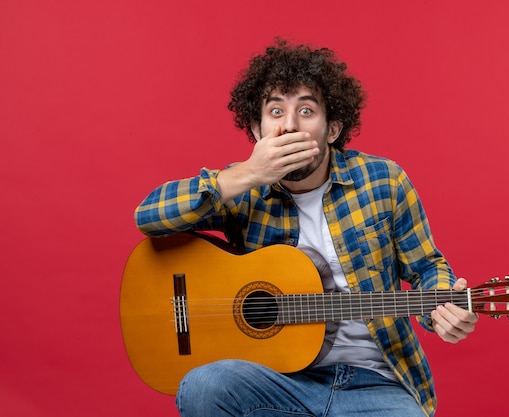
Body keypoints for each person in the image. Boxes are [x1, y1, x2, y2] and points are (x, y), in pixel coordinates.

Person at [134, 38, 478, 417]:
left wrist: (443, 309)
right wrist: (246, 174)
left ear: (332, 129)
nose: (290, 126)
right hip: (278, 380)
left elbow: (428, 267)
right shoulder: (243, 192)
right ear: (257, 129)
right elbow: (149, 216)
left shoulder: (384, 181)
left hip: (376, 382)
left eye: (307, 110)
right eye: (276, 111)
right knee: (204, 386)